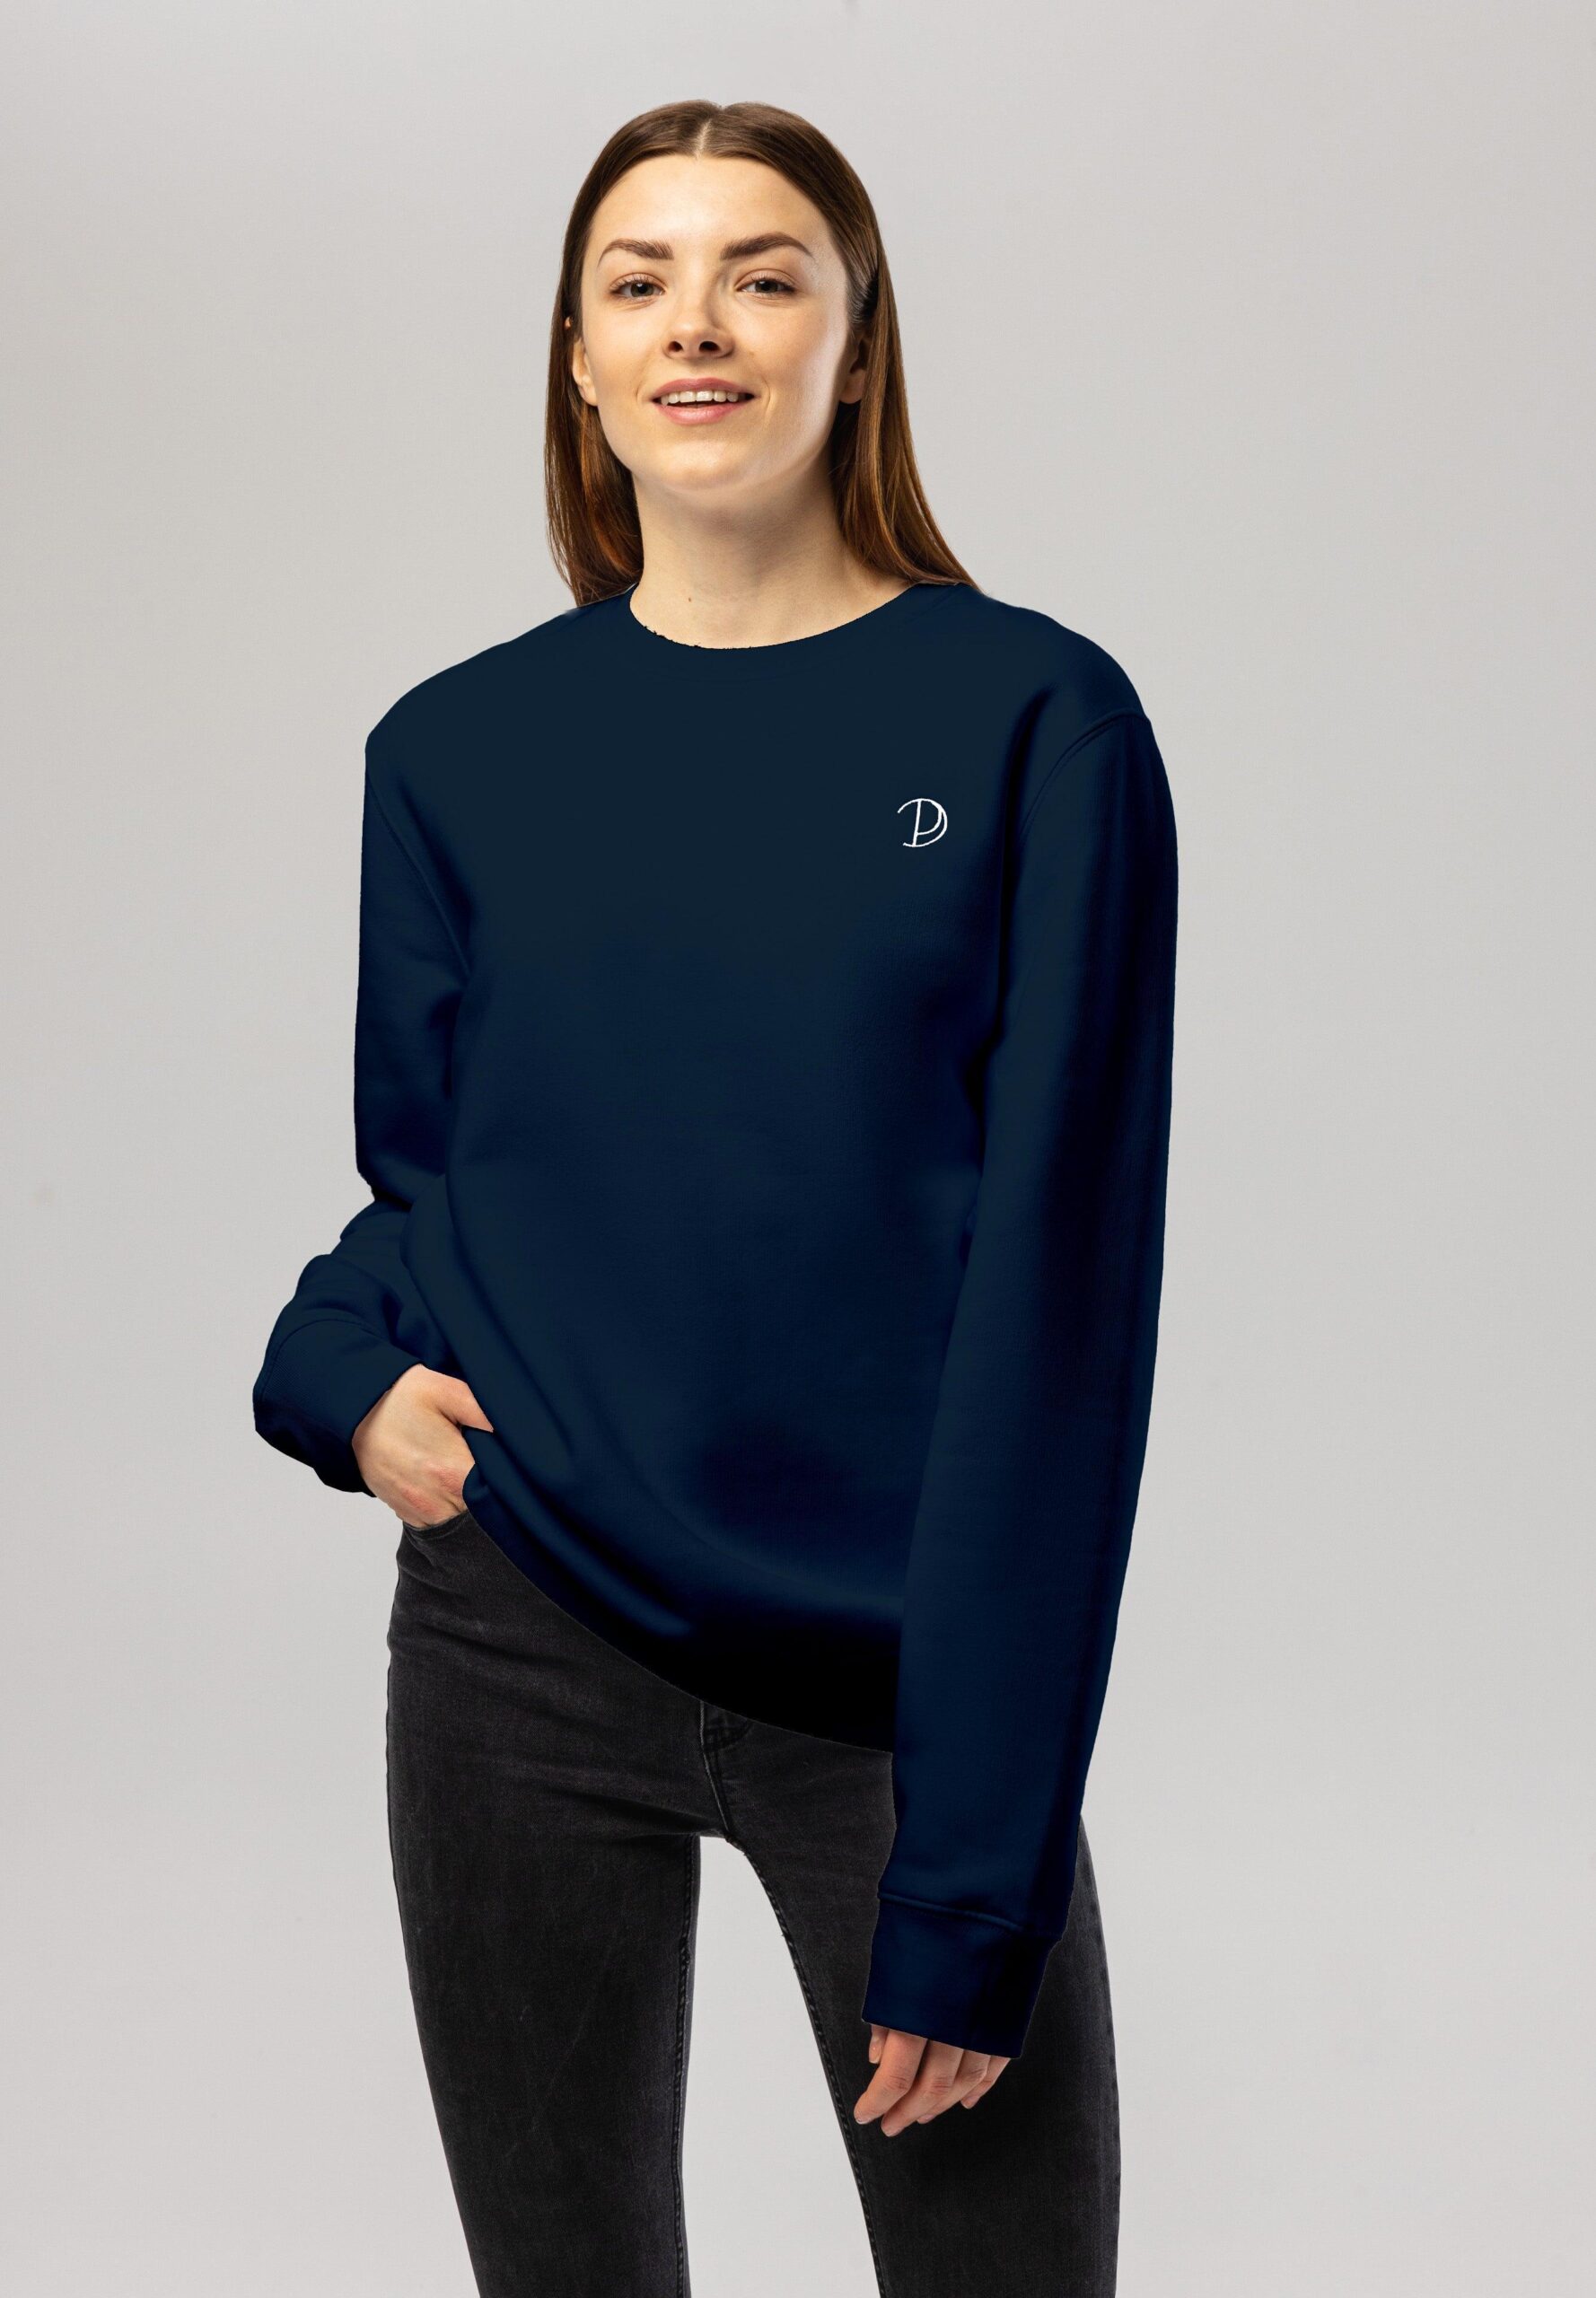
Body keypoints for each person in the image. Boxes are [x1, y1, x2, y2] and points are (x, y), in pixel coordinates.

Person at [252, 97, 1177, 2297]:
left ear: (854, 346)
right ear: (578, 360)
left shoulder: (1036, 719)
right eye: (639, 281)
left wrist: (975, 1866)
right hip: (516, 1644)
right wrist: (331, 1370)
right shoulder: (454, 749)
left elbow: (1061, 1310)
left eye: (764, 275)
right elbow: (437, 1182)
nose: (700, 325)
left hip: (897, 1683)